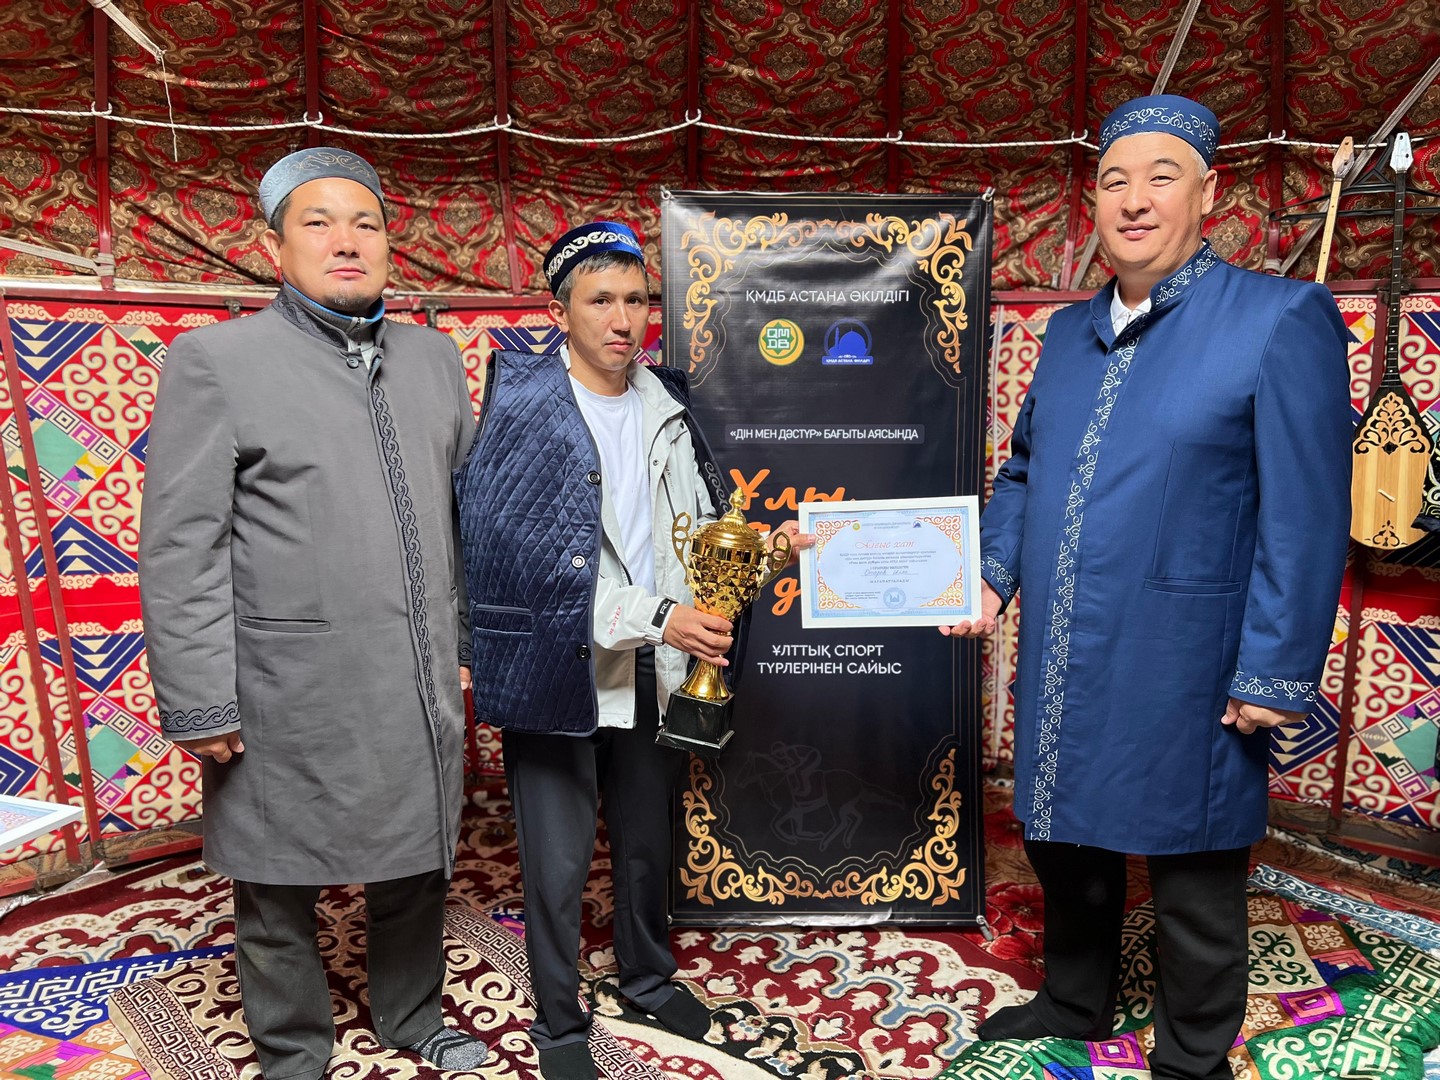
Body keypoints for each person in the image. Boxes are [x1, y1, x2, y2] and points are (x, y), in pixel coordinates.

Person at [942, 95, 1350, 1079]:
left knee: (1192, 855)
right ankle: (1075, 998)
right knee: (1064, 828)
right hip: (1067, 638)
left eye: (1161, 177)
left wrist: (1276, 669)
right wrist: (990, 576)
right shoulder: (1068, 334)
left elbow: (1307, 512)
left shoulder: (1278, 318)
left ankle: (1193, 1055)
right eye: (1115, 181)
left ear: (1208, 195)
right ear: (1094, 203)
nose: (1134, 200)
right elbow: (1026, 470)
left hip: (1191, 649)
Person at [138, 147, 488, 1080]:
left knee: (416, 855)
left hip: (413, 665)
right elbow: (180, 544)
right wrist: (199, 698)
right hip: (283, 677)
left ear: (388, 245)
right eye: (319, 223)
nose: (346, 241)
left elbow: (467, 517)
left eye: (366, 223)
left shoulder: (435, 359)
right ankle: (293, 1047)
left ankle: (411, 1014)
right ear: (274, 248)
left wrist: (467, 644)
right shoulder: (218, 361)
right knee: (274, 872)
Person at [454, 220, 802, 1080]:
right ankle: (559, 1023)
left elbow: (697, 535)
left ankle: (648, 978)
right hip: (556, 665)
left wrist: (761, 551)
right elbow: (525, 565)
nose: (622, 320)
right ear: (558, 312)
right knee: (557, 859)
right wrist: (659, 615)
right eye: (600, 300)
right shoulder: (523, 407)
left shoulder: (668, 405)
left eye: (637, 300)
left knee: (648, 840)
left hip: (654, 663)